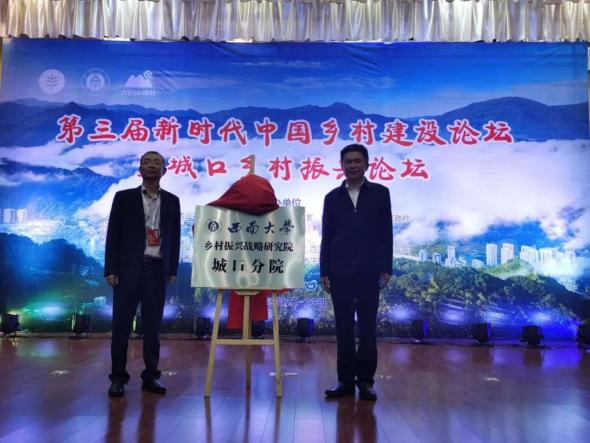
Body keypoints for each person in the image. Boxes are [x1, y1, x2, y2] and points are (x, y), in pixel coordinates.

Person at [105, 151, 180, 397]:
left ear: (164, 170)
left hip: (157, 269)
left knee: (152, 327)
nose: (151, 166)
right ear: (139, 169)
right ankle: (118, 378)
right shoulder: (123, 198)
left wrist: (172, 269)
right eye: (146, 162)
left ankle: (151, 377)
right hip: (127, 270)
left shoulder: (172, 201)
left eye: (156, 162)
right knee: (121, 326)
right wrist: (110, 269)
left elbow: (174, 237)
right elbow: (113, 234)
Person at [320, 143, 393, 401]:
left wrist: (386, 267)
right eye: (348, 162)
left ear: (367, 164)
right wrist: (324, 270)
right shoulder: (332, 197)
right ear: (341, 165)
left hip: (369, 271)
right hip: (339, 271)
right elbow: (327, 236)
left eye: (357, 161)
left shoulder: (380, 193)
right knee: (343, 328)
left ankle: (366, 382)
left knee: (367, 328)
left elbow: (386, 232)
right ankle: (345, 381)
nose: (352, 165)